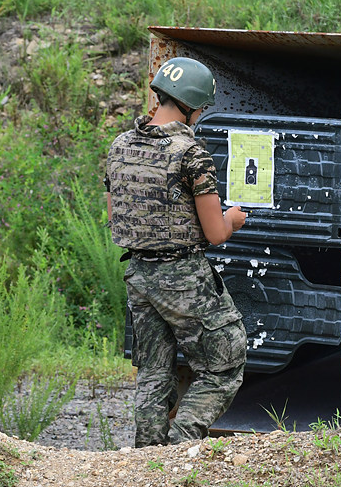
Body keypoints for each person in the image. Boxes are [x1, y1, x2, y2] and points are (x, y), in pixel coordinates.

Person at [105, 56, 248, 447]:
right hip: (183, 277)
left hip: (138, 275)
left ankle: (148, 459)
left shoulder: (119, 146)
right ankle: (184, 440)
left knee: (153, 372)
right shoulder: (191, 153)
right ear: (192, 104)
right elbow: (216, 233)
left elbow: (116, 215)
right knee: (226, 364)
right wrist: (233, 219)